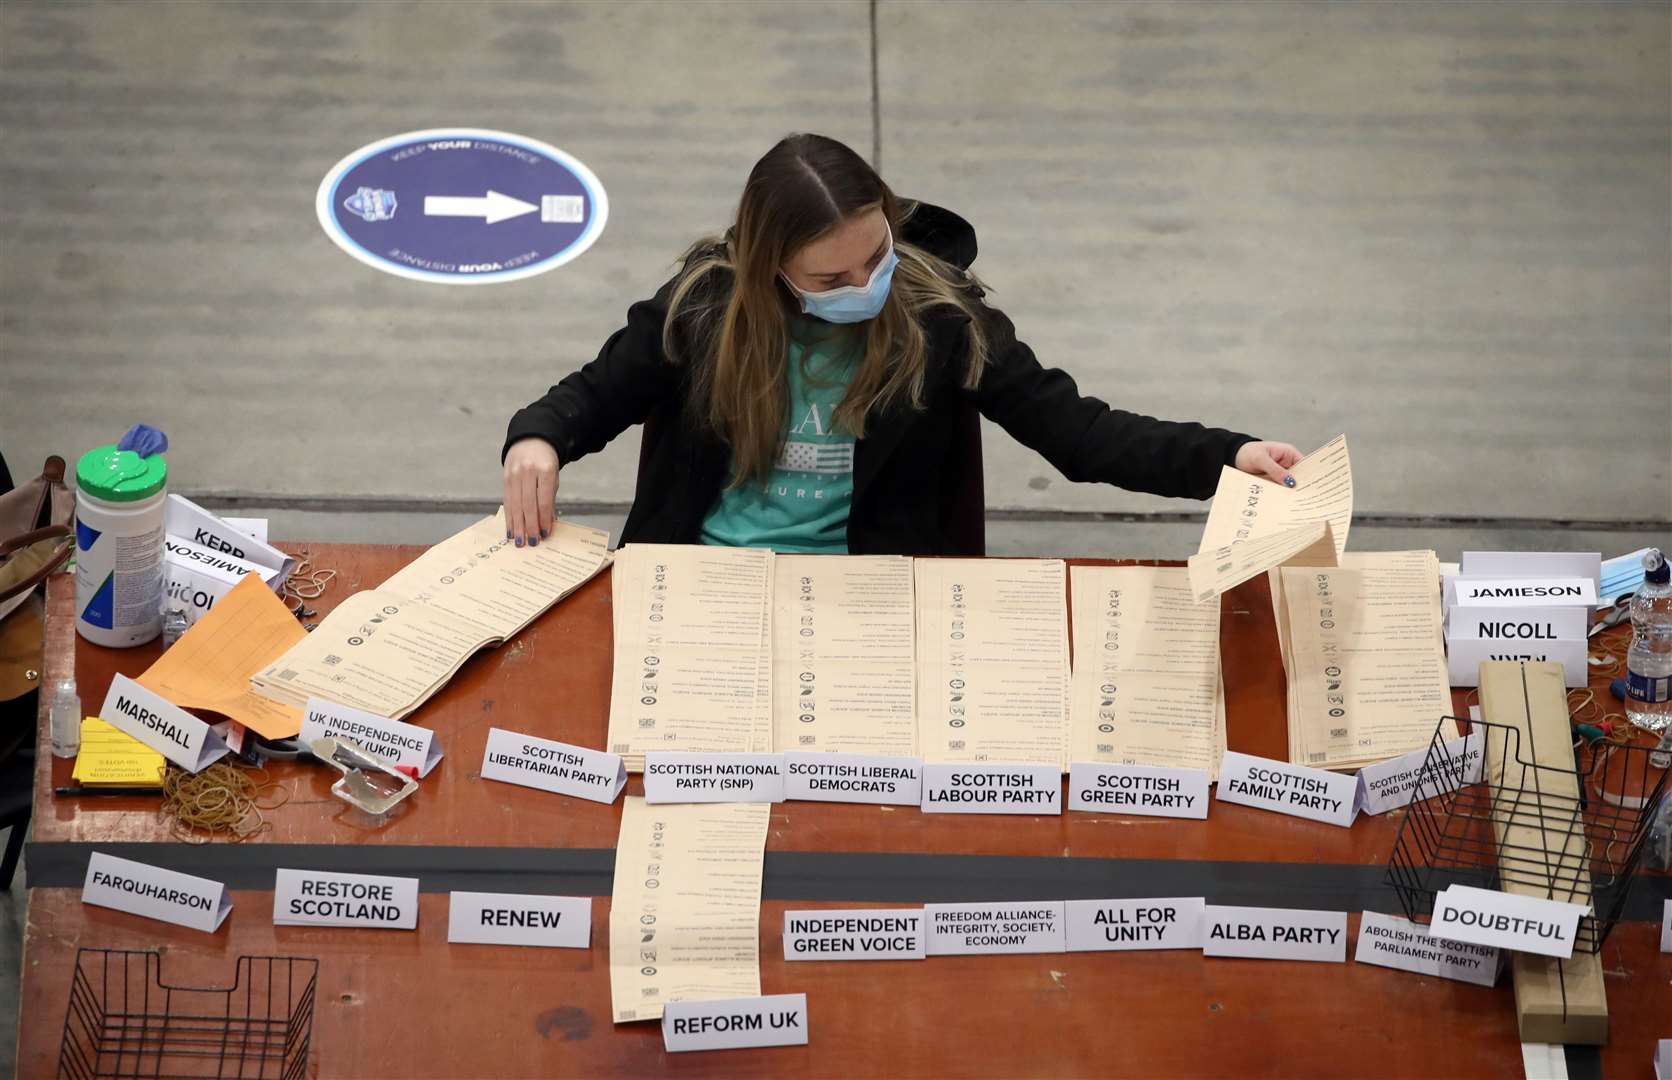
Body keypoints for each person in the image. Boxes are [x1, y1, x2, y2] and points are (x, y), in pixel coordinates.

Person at [503, 133, 1300, 555]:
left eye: (876, 256)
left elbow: (1080, 432)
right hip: (705, 579)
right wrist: (539, 438)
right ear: (765, 268)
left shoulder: (941, 321)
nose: (865, 284)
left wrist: (1225, 459)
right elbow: (593, 394)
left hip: (869, 595)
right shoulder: (703, 310)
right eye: (829, 279)